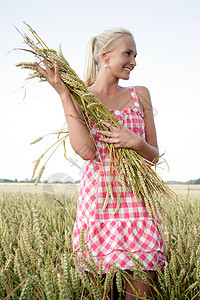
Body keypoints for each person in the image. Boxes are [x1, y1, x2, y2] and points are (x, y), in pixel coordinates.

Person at [35, 27, 166, 299]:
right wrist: (64, 95)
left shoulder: (140, 95)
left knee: (139, 296)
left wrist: (134, 142)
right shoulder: (83, 97)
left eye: (135, 54)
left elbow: (154, 157)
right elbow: (85, 150)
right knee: (101, 296)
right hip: (99, 205)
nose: (134, 61)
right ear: (105, 56)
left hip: (138, 204)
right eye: (127, 53)